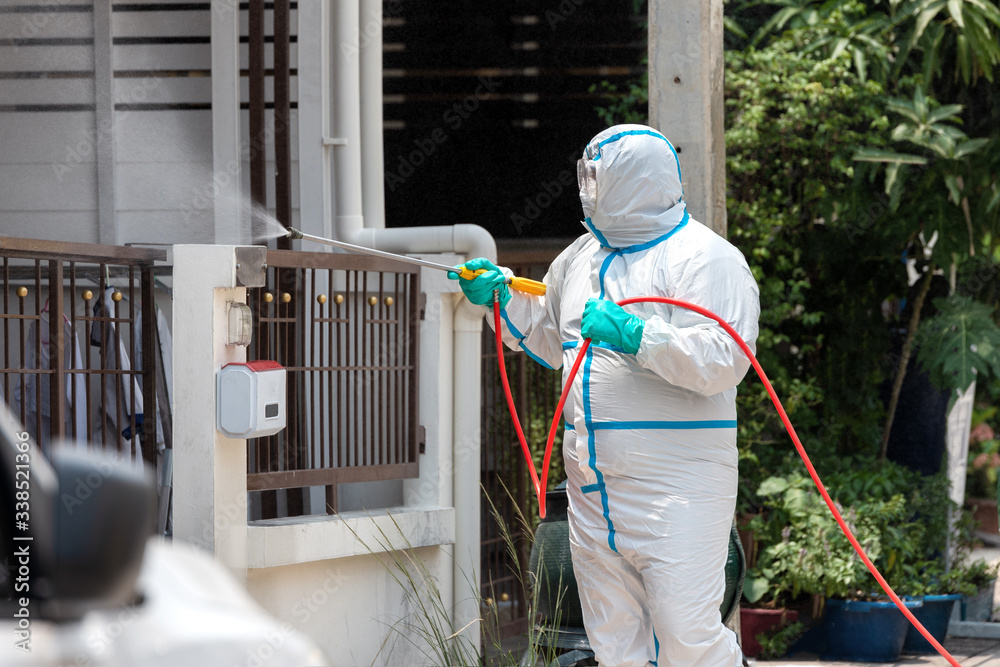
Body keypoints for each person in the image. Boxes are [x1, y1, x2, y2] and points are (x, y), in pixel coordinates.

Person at [451, 124, 760, 667]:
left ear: (634, 179)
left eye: (599, 175)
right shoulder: (579, 258)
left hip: (678, 486)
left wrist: (640, 334)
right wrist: (500, 298)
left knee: (687, 635)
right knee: (613, 640)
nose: (587, 187)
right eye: (586, 175)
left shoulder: (706, 258)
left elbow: (724, 359)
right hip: (593, 489)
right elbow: (553, 338)